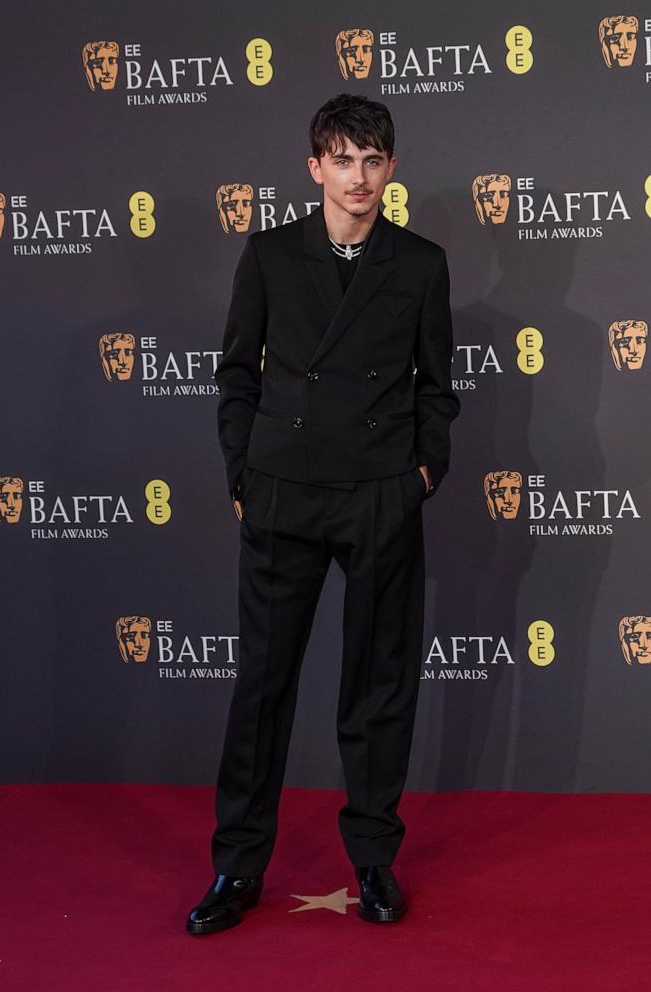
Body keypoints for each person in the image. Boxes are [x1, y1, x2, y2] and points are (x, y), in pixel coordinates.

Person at [187, 93, 460, 935]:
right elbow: (236, 374)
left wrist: (419, 475)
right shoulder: (269, 255)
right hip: (283, 491)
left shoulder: (419, 264)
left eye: (372, 160)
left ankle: (373, 861)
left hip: (378, 492)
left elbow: (435, 390)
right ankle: (237, 867)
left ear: (391, 168)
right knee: (262, 686)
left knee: (377, 688)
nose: (358, 177)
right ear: (314, 168)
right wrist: (243, 474)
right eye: (342, 159)